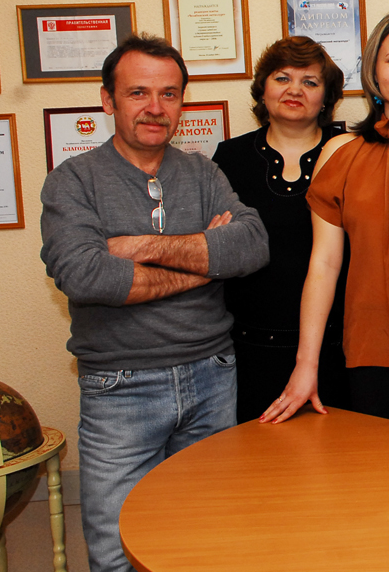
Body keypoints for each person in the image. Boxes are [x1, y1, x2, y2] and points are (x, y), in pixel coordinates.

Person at [40, 36, 269, 572]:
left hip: (212, 376)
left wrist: (138, 248)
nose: (155, 107)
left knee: (206, 541)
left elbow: (251, 245)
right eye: (138, 92)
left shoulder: (203, 172)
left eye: (169, 94)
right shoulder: (72, 181)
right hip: (120, 386)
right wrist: (205, 260)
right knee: (116, 548)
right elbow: (86, 275)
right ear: (108, 100)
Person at [261, 10, 389, 428]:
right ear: (374, 69)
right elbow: (324, 264)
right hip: (372, 350)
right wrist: (306, 365)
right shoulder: (340, 152)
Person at [212, 37, 350, 423]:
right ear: (263, 89)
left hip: (336, 350)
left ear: (327, 98)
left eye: (310, 82)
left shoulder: (350, 154)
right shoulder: (229, 158)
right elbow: (216, 247)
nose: (294, 90)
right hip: (247, 351)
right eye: (282, 78)